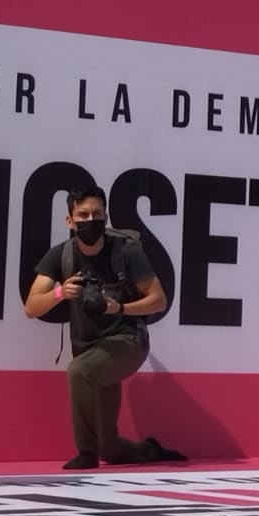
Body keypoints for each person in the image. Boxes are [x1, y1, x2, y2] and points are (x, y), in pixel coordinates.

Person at [22, 187, 185, 469]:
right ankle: (148, 450)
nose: (90, 220)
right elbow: (31, 307)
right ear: (70, 221)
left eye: (97, 214)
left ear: (106, 216)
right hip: (90, 348)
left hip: (128, 341)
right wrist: (61, 293)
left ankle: (85, 452)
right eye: (83, 215)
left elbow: (158, 300)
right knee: (108, 447)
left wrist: (119, 307)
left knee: (78, 371)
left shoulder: (126, 252)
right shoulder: (62, 256)